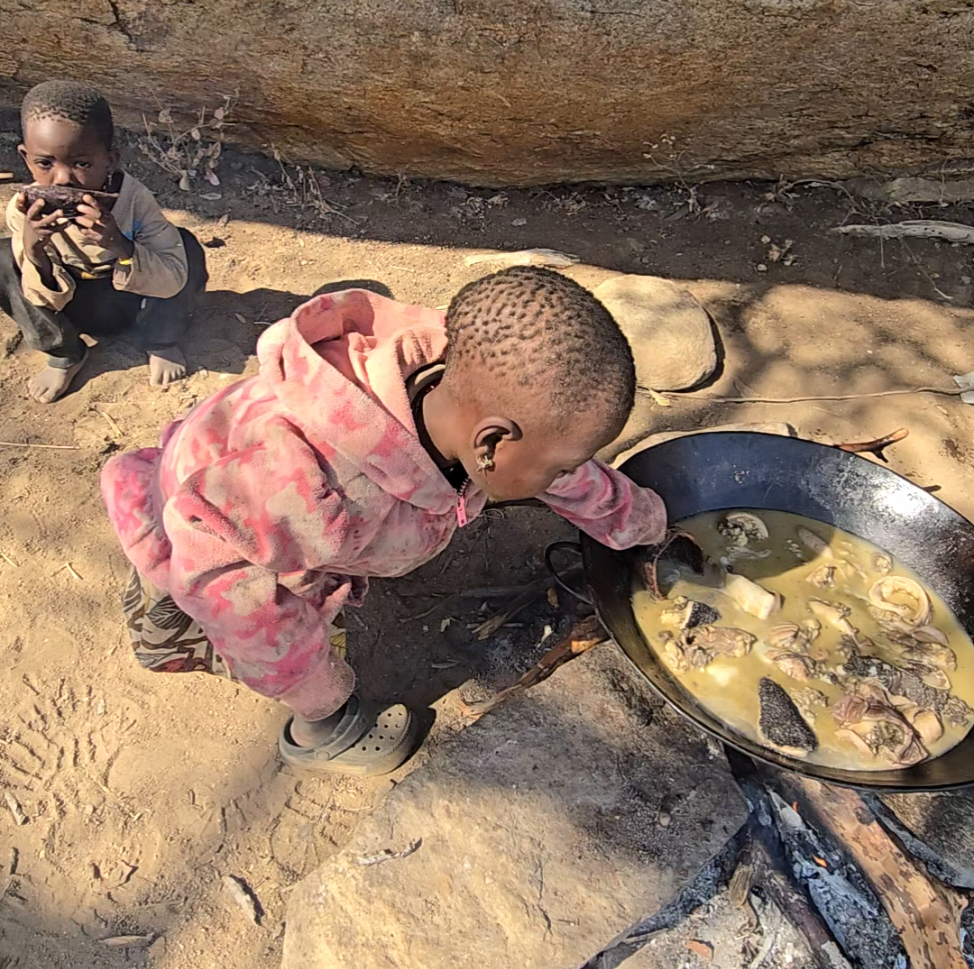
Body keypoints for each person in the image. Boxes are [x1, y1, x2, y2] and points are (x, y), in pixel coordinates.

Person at [101, 267, 667, 775]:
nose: (567, 474)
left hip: (257, 508)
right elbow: (226, 584)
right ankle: (317, 734)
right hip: (208, 531)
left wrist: (642, 523)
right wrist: (314, 692)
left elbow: (552, 459)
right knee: (221, 621)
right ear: (491, 443)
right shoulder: (323, 493)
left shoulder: (453, 375)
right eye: (562, 466)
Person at [0, 80, 207, 403]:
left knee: (185, 247)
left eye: (82, 164)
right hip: (73, 305)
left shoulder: (135, 200)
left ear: (110, 160)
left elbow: (171, 279)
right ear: (26, 158)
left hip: (132, 302)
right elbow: (38, 296)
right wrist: (34, 249)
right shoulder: (23, 211)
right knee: (4, 257)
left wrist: (119, 244)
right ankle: (65, 353)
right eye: (45, 163)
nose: (62, 179)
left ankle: (162, 341)